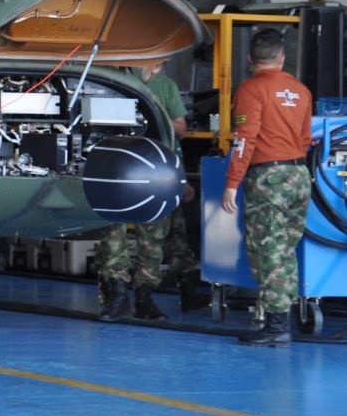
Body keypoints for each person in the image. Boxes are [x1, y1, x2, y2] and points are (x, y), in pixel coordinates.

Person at [221, 29, 314, 347]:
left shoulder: (251, 89)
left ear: (250, 59)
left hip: (269, 179)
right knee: (286, 250)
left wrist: (232, 183)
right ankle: (280, 318)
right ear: (282, 57)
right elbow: (305, 139)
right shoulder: (300, 90)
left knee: (267, 252)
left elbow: (245, 137)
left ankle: (276, 325)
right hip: (298, 176)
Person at [95, 57, 204, 321]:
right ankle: (117, 294)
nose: (154, 65)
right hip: (118, 167)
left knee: (154, 236)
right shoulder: (113, 80)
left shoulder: (165, 87)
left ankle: (145, 295)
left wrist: (156, 111)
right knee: (112, 233)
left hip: (155, 168)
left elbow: (180, 131)